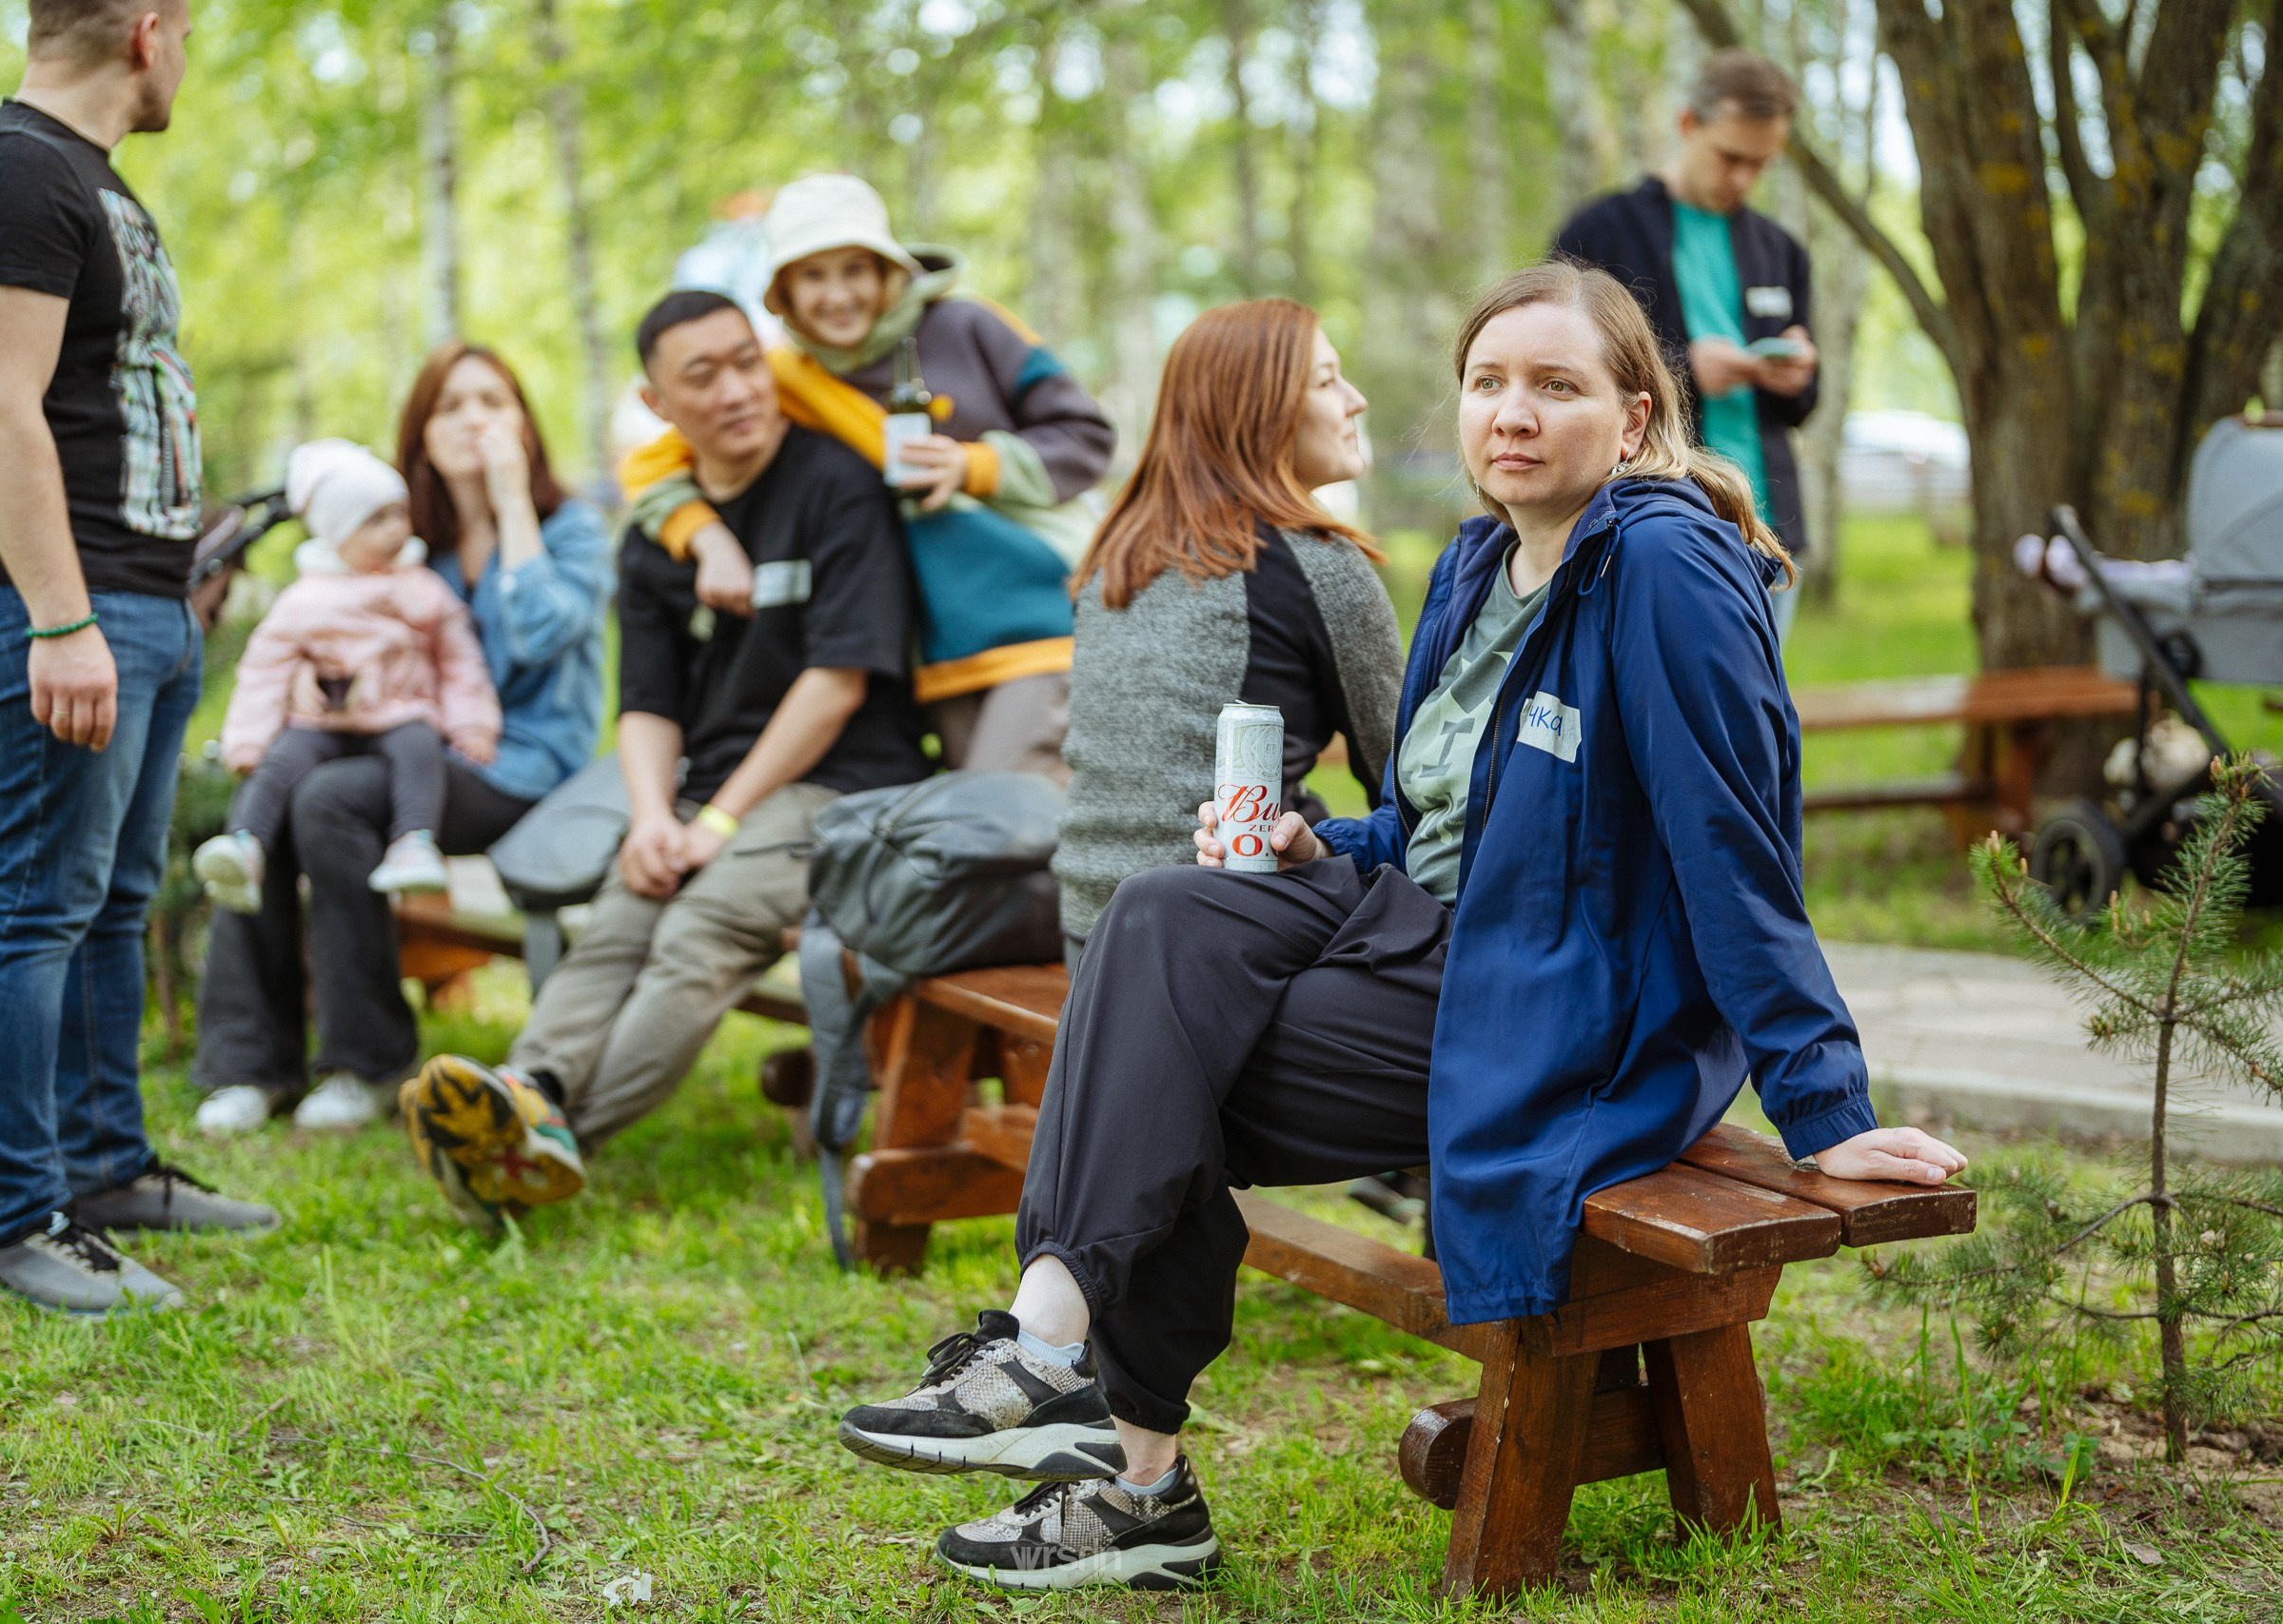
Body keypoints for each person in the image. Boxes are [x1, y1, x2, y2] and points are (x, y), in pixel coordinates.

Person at [833, 264, 1966, 1592]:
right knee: (1161, 915)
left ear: (1638, 413)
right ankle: (1055, 1348)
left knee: (1154, 1052)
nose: (1514, 414)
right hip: (1428, 928)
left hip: (1567, 997)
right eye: (1490, 383)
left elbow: (1734, 847)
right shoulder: (1484, 558)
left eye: (1557, 385)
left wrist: (1823, 1102)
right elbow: (1442, 808)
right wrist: (1323, 839)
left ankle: (1127, 1465)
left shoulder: (1662, 564)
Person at [399, 289, 930, 1236]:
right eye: (703, 375)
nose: (735, 390)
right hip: (704, 791)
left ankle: (541, 1143)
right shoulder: (655, 534)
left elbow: (837, 684)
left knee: (702, 923)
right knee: (623, 909)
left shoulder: (834, 485)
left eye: (745, 362)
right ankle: (531, 1085)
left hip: (843, 784)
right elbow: (645, 706)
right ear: (657, 403)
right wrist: (651, 817)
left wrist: (714, 823)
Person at [0, 0, 278, 1320]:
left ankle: (108, 1169)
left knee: (113, 899)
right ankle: (15, 1220)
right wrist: (61, 617)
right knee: (33, 901)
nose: (186, 54)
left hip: (142, 599)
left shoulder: (89, 181)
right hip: (53, 608)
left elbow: (103, 402)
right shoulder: (15, 167)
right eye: (186, 30)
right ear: (147, 27)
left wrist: (181, 557)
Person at [191, 343, 613, 1137]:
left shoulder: (574, 530)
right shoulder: (408, 543)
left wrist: (509, 505)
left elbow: (541, 634)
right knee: (273, 798)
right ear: (420, 435)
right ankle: (249, 1066)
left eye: (494, 400)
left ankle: (367, 1062)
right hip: (400, 745)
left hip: (517, 764)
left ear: (524, 422)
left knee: (331, 801)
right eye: (451, 406)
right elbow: (331, 630)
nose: (475, 419)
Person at [621, 173, 1113, 785]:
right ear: (784, 294)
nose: (837, 295)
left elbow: (1088, 435)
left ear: (888, 271)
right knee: (990, 845)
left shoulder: (969, 326)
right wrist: (706, 539)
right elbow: (649, 464)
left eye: (855, 269)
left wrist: (974, 465)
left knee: (1004, 816)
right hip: (938, 658)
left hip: (1042, 620)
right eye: (813, 276)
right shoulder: (785, 378)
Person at [1053, 299, 1402, 962]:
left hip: (1086, 933)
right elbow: (1408, 779)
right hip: (1213, 935)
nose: (1354, 400)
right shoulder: (1315, 563)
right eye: (1327, 381)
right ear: (1263, 408)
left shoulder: (1113, 556)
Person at [1552, 48, 1818, 640]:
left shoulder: (1781, 250)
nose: (1744, 178)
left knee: (1755, 721)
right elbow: (1557, 375)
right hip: (1643, 527)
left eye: (1761, 164)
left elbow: (1803, 407)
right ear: (1687, 125)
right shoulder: (1600, 232)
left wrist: (1798, 372)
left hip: (1766, 529)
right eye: (1730, 157)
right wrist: (1685, 369)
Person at [193, 439, 502, 912]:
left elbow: (461, 662)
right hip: (326, 722)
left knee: (420, 751)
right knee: (276, 764)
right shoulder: (306, 599)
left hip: (401, 711)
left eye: (399, 514)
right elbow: (264, 668)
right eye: (375, 520)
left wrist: (473, 725)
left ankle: (414, 842)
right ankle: (244, 844)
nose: (396, 529)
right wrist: (246, 742)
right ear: (338, 535)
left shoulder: (421, 587)